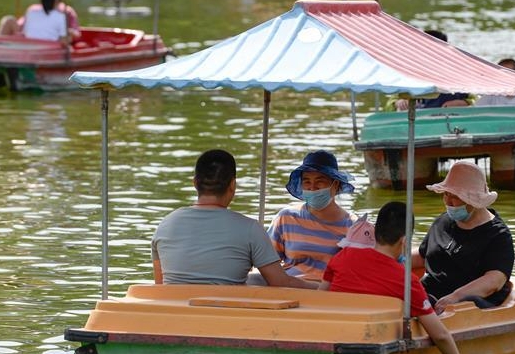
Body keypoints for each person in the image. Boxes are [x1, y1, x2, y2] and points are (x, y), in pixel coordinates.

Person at [151, 149, 316, 289]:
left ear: (195, 183)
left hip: (172, 312)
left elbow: (159, 287)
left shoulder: (165, 225)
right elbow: (281, 282)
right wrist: (322, 288)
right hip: (224, 315)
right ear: (233, 185)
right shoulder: (250, 229)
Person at [320, 202, 460, 354]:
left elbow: (320, 297)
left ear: (375, 232)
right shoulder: (406, 280)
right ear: (404, 241)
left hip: (334, 336)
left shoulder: (341, 256)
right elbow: (440, 336)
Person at [413, 161, 515, 314]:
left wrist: (455, 297)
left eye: (455, 196)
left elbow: (494, 280)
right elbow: (423, 255)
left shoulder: (498, 236)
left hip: (467, 307)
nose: (448, 201)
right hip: (430, 297)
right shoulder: (443, 222)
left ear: (473, 200)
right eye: (446, 194)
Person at [267, 150, 356, 281]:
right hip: (290, 287)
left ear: (335, 184)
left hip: (328, 290)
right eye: (307, 181)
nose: (312, 187)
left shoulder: (353, 226)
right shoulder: (286, 218)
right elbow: (267, 262)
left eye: (320, 181)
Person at [392, 30, 470, 111]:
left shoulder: (460, 72)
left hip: (450, 115)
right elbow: (391, 101)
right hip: (417, 116)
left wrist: (464, 103)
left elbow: (474, 98)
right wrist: (398, 102)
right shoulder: (408, 72)